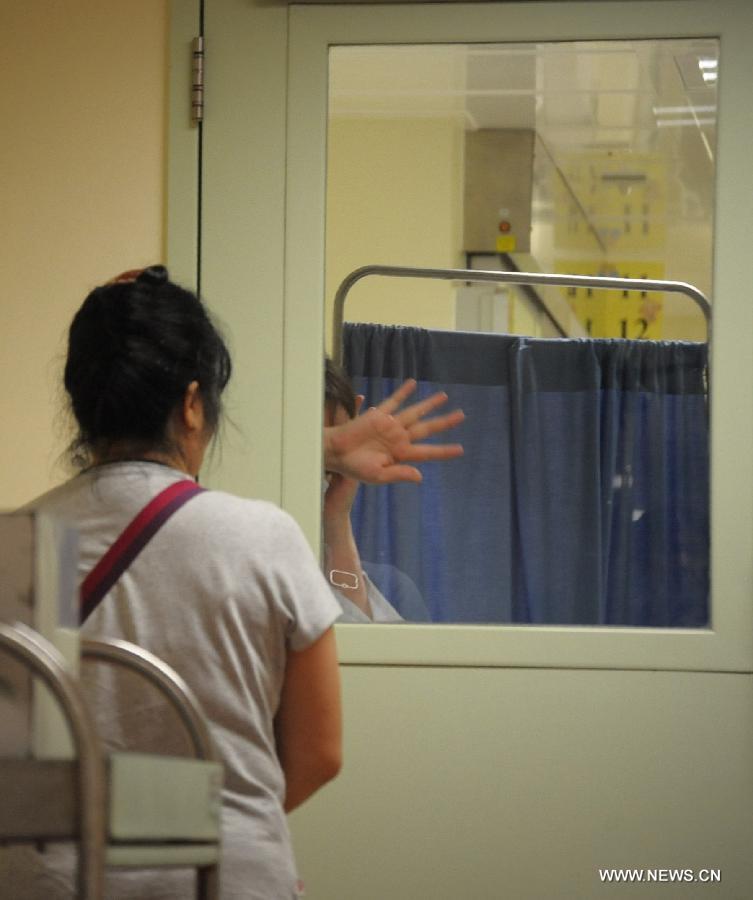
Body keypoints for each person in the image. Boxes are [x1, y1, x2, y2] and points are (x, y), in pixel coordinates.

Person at [6, 266, 468, 899]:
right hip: (221, 873)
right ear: (193, 405)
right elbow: (319, 753)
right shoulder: (262, 539)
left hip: (52, 879)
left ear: (82, 402)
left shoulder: (16, 545)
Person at [323, 358, 464, 623]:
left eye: (331, 466)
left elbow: (359, 654)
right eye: (327, 454)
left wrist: (336, 519)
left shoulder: (394, 588)